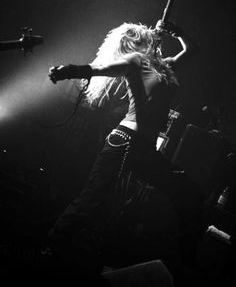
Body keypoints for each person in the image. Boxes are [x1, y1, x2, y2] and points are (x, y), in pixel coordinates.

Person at [47, 19, 201, 276]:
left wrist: (178, 31)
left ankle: (181, 267)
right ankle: (52, 248)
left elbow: (192, 51)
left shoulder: (166, 66)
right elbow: (101, 67)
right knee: (91, 200)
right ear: (137, 43)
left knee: (189, 194)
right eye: (148, 38)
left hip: (145, 150)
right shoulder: (135, 61)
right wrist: (67, 70)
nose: (154, 40)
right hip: (124, 141)